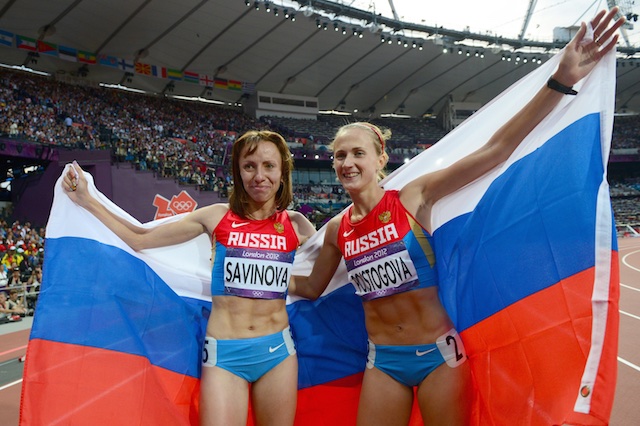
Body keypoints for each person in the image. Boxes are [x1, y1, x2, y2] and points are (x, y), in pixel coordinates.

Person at [290, 9, 624, 426]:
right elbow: (311, 286)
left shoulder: (414, 196)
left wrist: (561, 81)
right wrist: (251, 270)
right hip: (383, 363)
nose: (347, 162)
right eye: (339, 155)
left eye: (358, 153)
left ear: (381, 159)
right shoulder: (340, 230)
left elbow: (496, 150)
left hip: (438, 358)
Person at [63, 130, 317, 426]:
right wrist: (88, 200)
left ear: (283, 171)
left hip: (278, 354)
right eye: (249, 166)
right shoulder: (216, 217)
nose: (259, 175)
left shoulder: (297, 225)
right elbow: (139, 238)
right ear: (238, 172)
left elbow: (317, 283)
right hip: (226, 356)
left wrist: (277, 279)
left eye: (269, 166)